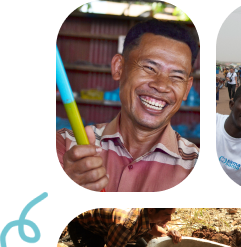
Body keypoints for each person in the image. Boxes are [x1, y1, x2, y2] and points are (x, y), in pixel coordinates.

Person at [56, 19, 200, 192]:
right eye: (149, 68)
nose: (161, 86)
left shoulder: (192, 164)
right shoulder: (66, 146)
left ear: (187, 88)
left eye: (177, 76)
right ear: (119, 68)